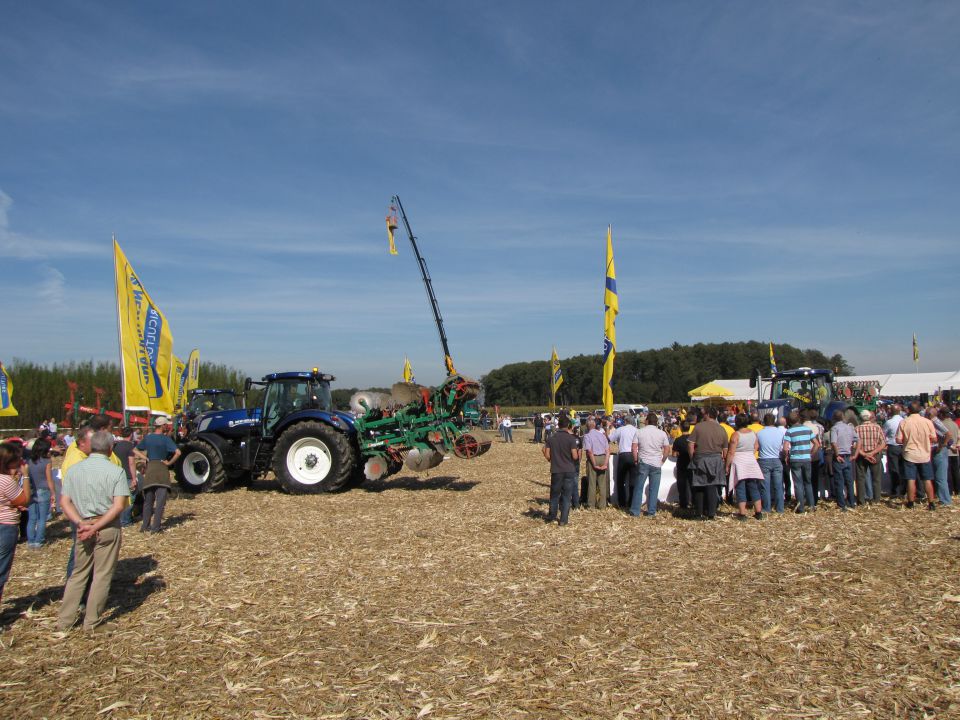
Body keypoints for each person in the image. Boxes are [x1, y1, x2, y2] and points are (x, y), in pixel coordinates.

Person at [57, 430, 130, 632]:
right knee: (102, 574)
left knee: (78, 573)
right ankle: (92, 622)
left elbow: (64, 502)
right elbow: (118, 506)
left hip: (82, 526)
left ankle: (65, 620)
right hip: (105, 527)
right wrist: (96, 526)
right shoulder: (116, 471)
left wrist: (81, 523)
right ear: (110, 448)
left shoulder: (74, 470)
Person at [134, 417, 181, 534]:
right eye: (166, 425)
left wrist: (145, 458)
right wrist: (169, 463)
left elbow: (135, 449)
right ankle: (155, 528)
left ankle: (145, 526)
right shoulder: (166, 439)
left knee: (148, 501)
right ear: (163, 426)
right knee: (160, 502)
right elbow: (178, 452)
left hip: (150, 470)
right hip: (162, 470)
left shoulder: (148, 438)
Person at [0, 443, 29, 605]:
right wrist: (25, 476)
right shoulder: (5, 481)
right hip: (5, 525)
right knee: (1, 568)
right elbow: (24, 499)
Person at [687, 407, 728, 520]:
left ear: (708, 414)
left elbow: (690, 445)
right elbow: (725, 450)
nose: (702, 415)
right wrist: (724, 462)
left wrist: (692, 458)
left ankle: (699, 513)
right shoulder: (721, 429)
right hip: (716, 459)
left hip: (701, 458)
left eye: (703, 413)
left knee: (699, 486)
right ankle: (711, 513)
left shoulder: (698, 427)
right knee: (712, 486)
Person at [895, 401, 937, 510]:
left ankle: (911, 502)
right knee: (927, 479)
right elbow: (934, 438)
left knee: (910, 479)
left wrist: (906, 440)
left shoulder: (904, 422)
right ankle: (931, 502)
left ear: (908, 410)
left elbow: (898, 439)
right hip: (924, 454)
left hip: (910, 453)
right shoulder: (927, 422)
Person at [542, 414, 581, 526]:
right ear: (568, 425)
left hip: (556, 469)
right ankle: (563, 519)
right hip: (569, 469)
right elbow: (574, 456)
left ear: (558, 425)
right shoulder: (571, 439)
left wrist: (553, 460)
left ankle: (552, 516)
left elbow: (547, 455)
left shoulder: (551, 439)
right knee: (566, 495)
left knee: (554, 494)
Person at [725, 413, 764, 520]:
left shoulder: (736, 435)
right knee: (753, 486)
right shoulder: (753, 433)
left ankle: (742, 513)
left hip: (739, 461)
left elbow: (731, 452)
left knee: (740, 487)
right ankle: (758, 512)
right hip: (751, 460)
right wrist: (750, 453)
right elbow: (756, 445)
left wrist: (727, 465)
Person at [631, 413, 671, 517]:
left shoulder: (639, 431)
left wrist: (635, 460)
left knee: (639, 487)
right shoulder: (662, 433)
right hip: (656, 463)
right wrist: (663, 459)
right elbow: (667, 448)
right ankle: (651, 511)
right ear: (656, 422)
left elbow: (634, 447)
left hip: (643, 461)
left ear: (647, 421)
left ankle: (635, 510)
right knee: (654, 488)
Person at [784, 412, 820, 513]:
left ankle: (801, 507)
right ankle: (812, 506)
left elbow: (785, 447)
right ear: (799, 419)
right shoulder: (807, 429)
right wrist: (811, 454)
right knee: (808, 482)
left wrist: (786, 456)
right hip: (806, 458)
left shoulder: (789, 431)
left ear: (790, 421)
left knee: (798, 483)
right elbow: (817, 444)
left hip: (795, 459)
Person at [25, 438, 56, 548]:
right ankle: (39, 540)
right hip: (43, 490)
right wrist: (53, 493)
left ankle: (30, 540)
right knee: (42, 518)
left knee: (32, 517)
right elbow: (49, 479)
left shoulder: (29, 461)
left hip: (32, 490)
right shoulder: (47, 461)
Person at [854, 410, 886, 505]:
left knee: (860, 478)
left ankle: (861, 500)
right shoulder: (877, 428)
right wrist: (872, 453)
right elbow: (883, 443)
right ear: (869, 417)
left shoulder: (857, 429)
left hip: (861, 456)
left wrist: (864, 454)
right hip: (875, 455)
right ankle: (876, 500)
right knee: (876, 478)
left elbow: (854, 445)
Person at [608, 415, 640, 510]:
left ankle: (622, 502)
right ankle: (631, 502)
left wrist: (607, 427)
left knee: (620, 480)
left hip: (623, 455)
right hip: (635, 454)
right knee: (633, 480)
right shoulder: (637, 430)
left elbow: (609, 439)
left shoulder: (620, 429)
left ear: (625, 421)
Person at [757, 414, 786, 514]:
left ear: (764, 421)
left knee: (765, 486)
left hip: (764, 459)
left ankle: (766, 508)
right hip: (776, 458)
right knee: (778, 486)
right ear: (774, 421)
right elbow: (783, 447)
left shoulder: (759, 433)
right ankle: (780, 508)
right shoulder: (780, 432)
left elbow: (756, 446)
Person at [830, 410, 858, 511]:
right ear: (842, 417)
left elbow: (833, 442)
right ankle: (851, 502)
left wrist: (837, 454)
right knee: (849, 481)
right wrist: (855, 453)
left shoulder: (834, 428)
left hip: (840, 456)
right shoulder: (849, 427)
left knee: (839, 481)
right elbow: (857, 439)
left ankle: (842, 505)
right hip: (848, 455)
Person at [112, 428, 140, 527]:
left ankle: (119, 519)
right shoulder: (130, 446)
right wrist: (134, 478)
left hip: (117, 474)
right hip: (127, 475)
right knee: (130, 499)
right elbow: (131, 462)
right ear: (131, 435)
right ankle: (126, 521)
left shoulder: (116, 445)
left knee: (118, 498)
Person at [581, 417, 609, 510]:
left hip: (594, 458)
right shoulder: (602, 435)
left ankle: (591, 504)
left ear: (587, 426)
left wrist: (594, 463)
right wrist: (605, 463)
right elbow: (608, 450)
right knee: (602, 483)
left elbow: (589, 451)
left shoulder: (587, 436)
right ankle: (602, 504)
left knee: (592, 483)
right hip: (603, 457)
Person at [883, 406, 905, 498]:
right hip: (903, 446)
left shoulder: (889, 422)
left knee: (894, 469)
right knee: (903, 468)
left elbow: (883, 434)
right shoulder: (904, 420)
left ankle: (895, 490)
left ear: (891, 411)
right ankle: (903, 489)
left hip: (893, 446)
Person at [672, 421, 693, 511]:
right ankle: (693, 501)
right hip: (691, 463)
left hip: (681, 463)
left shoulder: (678, 440)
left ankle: (683, 503)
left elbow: (674, 454)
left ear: (680, 428)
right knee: (692, 483)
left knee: (682, 484)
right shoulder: (693, 439)